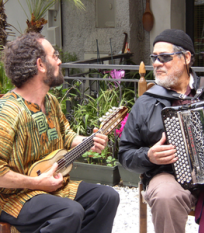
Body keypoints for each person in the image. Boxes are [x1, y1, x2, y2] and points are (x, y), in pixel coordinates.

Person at [0, 32, 119, 233]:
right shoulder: (7, 111)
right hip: (15, 197)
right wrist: (36, 182)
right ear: (40, 64)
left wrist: (92, 140)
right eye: (54, 56)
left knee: (107, 197)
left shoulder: (51, 102)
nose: (60, 61)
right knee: (69, 212)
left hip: (53, 187)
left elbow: (67, 136)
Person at [118, 29, 204, 233]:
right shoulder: (146, 103)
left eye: (164, 57)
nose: (156, 63)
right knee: (165, 196)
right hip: (169, 176)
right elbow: (125, 153)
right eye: (154, 57)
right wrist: (148, 156)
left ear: (186, 58)